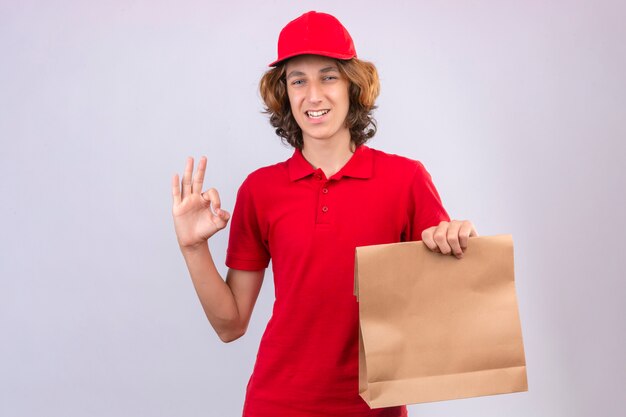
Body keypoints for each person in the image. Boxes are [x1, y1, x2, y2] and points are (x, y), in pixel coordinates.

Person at [171, 10, 478, 417]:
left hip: (375, 408)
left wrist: (456, 242)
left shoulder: (405, 179)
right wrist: (193, 248)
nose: (313, 95)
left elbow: (445, 303)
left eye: (328, 76)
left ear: (353, 85)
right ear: (284, 93)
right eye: (298, 80)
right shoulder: (260, 190)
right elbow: (231, 325)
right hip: (276, 404)